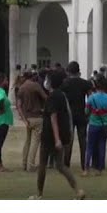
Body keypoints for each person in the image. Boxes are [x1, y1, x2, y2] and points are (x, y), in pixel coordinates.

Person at [32, 70, 86, 200]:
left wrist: (57, 139)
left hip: (50, 136)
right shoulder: (61, 95)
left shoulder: (53, 96)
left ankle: (39, 194)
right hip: (61, 135)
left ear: (52, 82)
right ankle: (78, 191)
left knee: (43, 164)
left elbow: (53, 117)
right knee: (60, 165)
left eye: (48, 80)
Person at [60, 62, 92, 173]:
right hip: (81, 114)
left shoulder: (64, 83)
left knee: (68, 140)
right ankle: (84, 165)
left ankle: (66, 164)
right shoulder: (85, 83)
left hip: (68, 115)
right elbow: (90, 98)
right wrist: (88, 112)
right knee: (83, 140)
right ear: (78, 71)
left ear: (68, 71)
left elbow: (61, 99)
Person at [16, 72, 47, 171]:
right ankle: (31, 165)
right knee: (35, 142)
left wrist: (24, 119)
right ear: (33, 77)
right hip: (37, 117)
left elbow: (19, 106)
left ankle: (24, 163)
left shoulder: (21, 88)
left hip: (28, 118)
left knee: (28, 141)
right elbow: (45, 98)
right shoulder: (36, 86)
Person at [85, 78, 107, 174]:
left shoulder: (91, 98)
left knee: (90, 146)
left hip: (93, 123)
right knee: (102, 146)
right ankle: (100, 168)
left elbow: (86, 111)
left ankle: (86, 168)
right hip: (104, 124)